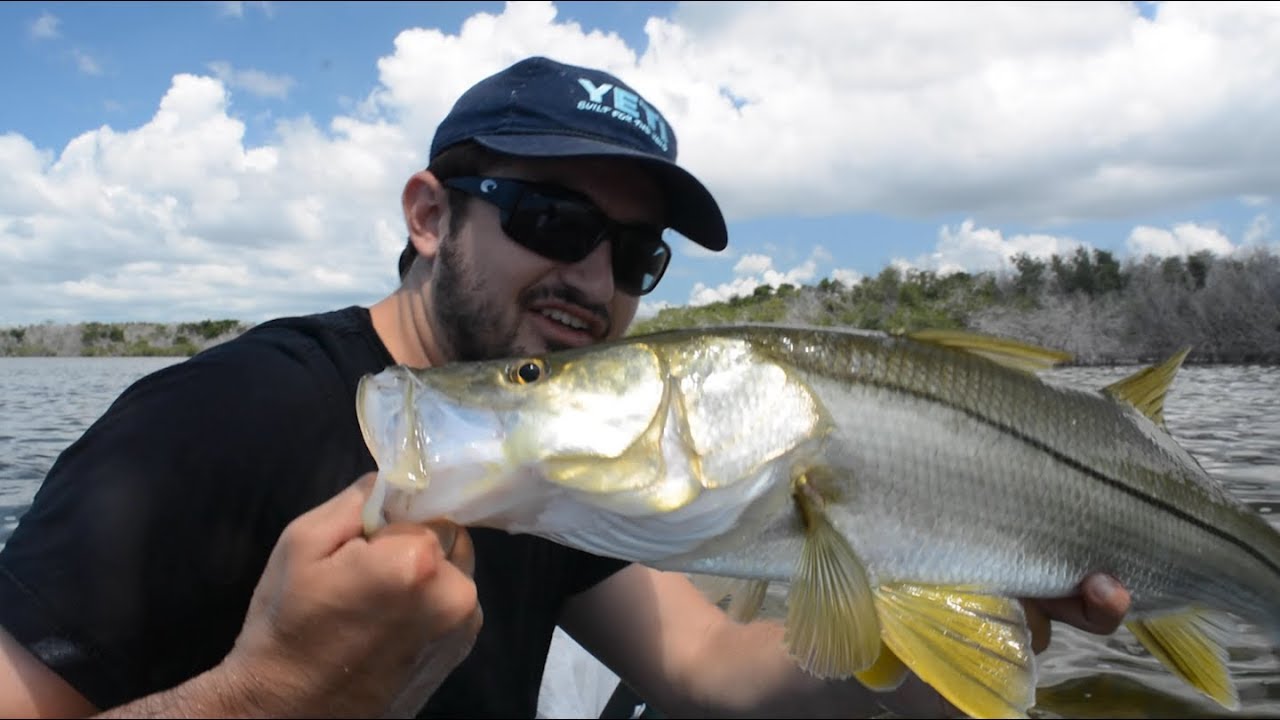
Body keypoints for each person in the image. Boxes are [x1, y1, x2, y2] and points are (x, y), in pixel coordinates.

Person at [0, 55, 1132, 718]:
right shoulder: (212, 420)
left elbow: (712, 674)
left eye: (636, 255)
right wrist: (275, 691)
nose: (593, 279)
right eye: (552, 220)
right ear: (428, 214)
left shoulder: (561, 458)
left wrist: (996, 615)